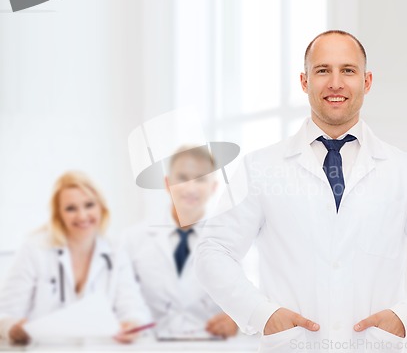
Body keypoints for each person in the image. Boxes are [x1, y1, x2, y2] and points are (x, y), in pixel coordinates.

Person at [195, 30, 407, 352]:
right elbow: (213, 251)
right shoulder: (261, 167)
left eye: (348, 71)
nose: (336, 83)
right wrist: (261, 314)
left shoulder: (405, 169)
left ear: (367, 82)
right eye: (323, 70)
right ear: (304, 81)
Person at [0, 171, 151, 345]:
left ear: (101, 207)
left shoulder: (115, 251)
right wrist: (13, 328)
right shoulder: (35, 249)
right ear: (59, 214)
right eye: (70, 208)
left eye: (89, 205)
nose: (82, 216)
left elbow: (133, 307)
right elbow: (5, 313)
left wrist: (132, 323)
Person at [122, 146, 238, 339]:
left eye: (201, 179)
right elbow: (125, 297)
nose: (190, 187)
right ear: (167, 184)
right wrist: (130, 321)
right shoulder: (133, 239)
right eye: (182, 178)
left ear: (213, 187)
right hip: (149, 346)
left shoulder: (230, 239)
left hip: (208, 346)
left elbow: (248, 298)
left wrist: (237, 321)